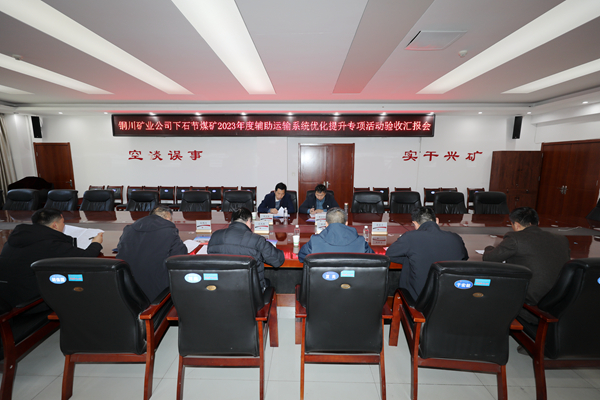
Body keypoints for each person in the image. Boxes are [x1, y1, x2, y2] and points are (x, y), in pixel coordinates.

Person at [0, 208, 103, 307]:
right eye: (63, 222)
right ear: (55, 225)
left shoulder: (14, 239)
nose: (64, 225)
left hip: (6, 297)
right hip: (30, 302)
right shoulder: (51, 244)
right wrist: (96, 243)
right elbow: (86, 257)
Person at [483, 207, 570, 322]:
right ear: (538, 223)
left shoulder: (515, 238)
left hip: (533, 308)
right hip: (560, 304)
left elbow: (489, 259)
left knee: (488, 285)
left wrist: (489, 248)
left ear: (516, 225)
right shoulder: (562, 239)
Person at [386, 207, 468, 300]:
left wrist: (411, 258)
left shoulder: (411, 237)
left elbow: (389, 255)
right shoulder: (456, 238)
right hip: (450, 299)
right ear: (437, 221)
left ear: (415, 223)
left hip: (419, 302)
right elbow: (464, 258)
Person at [116, 205, 188, 301]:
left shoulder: (128, 229)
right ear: (168, 218)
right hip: (156, 294)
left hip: (126, 290)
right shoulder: (169, 231)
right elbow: (179, 257)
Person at [208, 207, 284, 291]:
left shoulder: (215, 236)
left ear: (232, 221)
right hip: (250, 292)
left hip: (221, 289)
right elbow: (277, 261)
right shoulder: (257, 240)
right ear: (248, 222)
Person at [298, 207, 373, 262]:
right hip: (354, 279)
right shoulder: (361, 241)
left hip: (322, 279)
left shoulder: (315, 241)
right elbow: (373, 260)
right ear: (346, 224)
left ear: (326, 224)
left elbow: (301, 257)